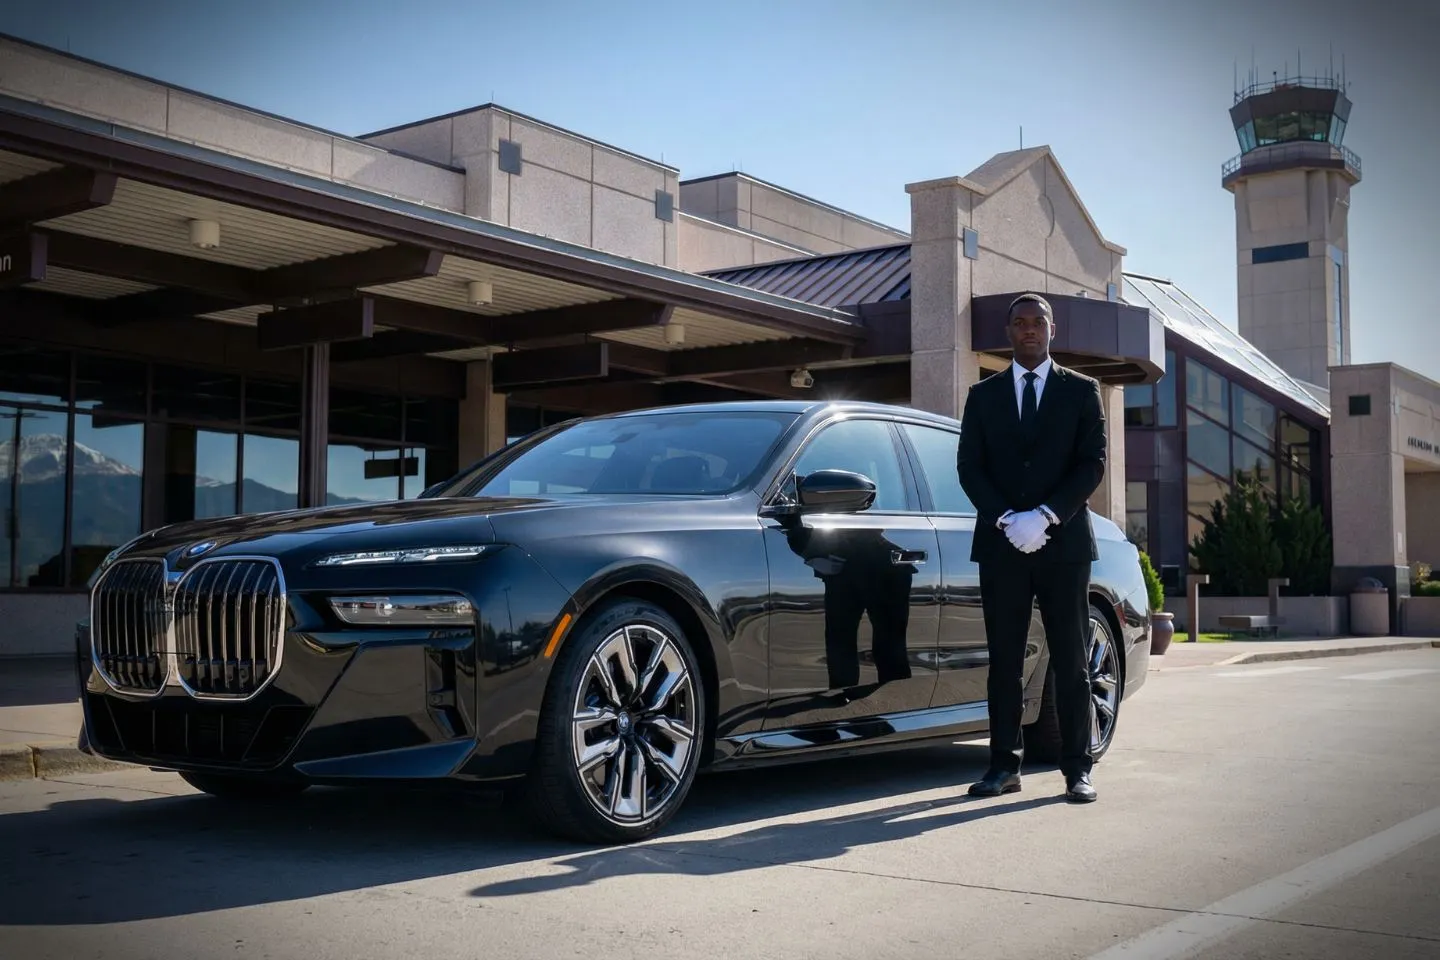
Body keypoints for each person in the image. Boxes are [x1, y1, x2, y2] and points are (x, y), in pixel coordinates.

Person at [956, 292, 1107, 803]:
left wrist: (1045, 516)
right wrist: (1005, 519)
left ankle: (1077, 769)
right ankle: (1003, 766)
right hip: (1002, 547)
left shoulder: (1082, 391)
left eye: (1037, 322)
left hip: (1064, 547)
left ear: (1051, 329)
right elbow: (969, 467)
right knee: (1005, 661)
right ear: (1008, 332)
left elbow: (1092, 464)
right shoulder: (983, 396)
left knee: (1071, 660)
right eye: (1019, 322)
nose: (1028, 329)